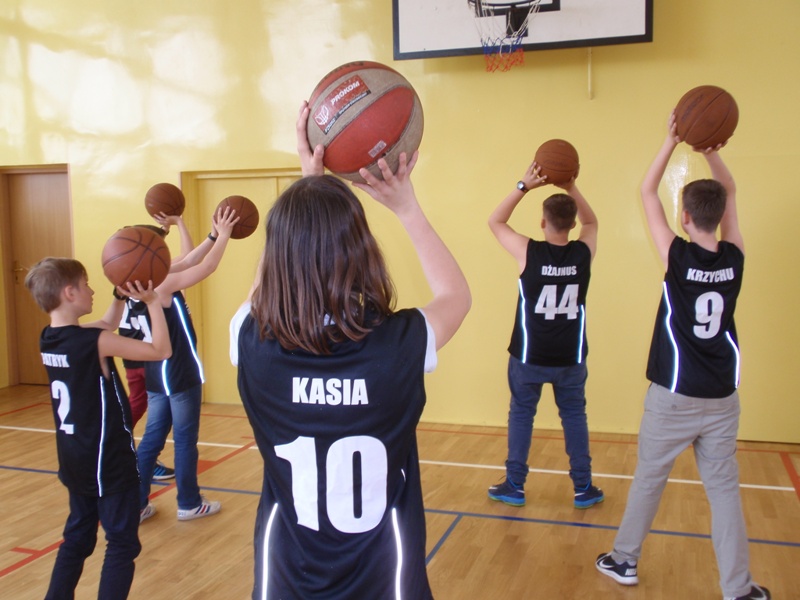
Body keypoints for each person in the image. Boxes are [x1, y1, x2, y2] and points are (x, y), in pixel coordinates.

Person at [228, 102, 471, 599]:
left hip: (287, 581)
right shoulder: (397, 346)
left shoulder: (249, 342)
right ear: (361, 252)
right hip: (384, 582)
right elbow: (456, 297)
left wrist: (306, 189)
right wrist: (407, 207)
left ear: (277, 255)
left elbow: (262, 292)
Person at [595, 114, 770, 600]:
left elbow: (647, 192)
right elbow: (728, 190)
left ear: (685, 218)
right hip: (722, 398)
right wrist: (711, 150)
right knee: (724, 493)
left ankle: (624, 560)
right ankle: (738, 588)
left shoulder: (677, 255)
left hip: (673, 396)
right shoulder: (734, 258)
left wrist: (673, 140)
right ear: (720, 215)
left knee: (649, 480)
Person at [24, 258, 171, 599]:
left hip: (74, 457)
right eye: (86, 284)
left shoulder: (49, 337)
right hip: (108, 460)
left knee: (77, 538)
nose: (91, 291)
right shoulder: (95, 342)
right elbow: (161, 350)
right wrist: (152, 303)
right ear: (70, 292)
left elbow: (105, 323)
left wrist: (119, 296)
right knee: (121, 543)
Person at [486, 160, 603, 509]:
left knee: (522, 415)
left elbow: (496, 221)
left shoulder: (529, 251)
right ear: (572, 224)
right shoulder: (583, 252)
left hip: (529, 356)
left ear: (542, 222)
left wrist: (524, 185)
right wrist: (571, 186)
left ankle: (515, 485)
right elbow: (593, 222)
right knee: (574, 416)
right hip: (570, 357)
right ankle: (583, 486)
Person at [137, 206, 239, 523]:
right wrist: (225, 236)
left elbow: (189, 259)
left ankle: (135, 503)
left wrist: (206, 233)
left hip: (156, 374)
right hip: (177, 373)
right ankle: (189, 502)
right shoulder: (162, 284)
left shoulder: (139, 280)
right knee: (184, 441)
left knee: (152, 439)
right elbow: (205, 266)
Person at [118, 214, 194, 481]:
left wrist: (175, 224)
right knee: (144, 414)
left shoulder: (131, 272)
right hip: (148, 356)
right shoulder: (156, 280)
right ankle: (121, 454)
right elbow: (193, 261)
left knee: (153, 418)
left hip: (142, 354)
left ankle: (137, 461)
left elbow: (187, 258)